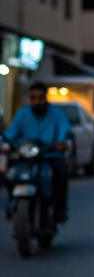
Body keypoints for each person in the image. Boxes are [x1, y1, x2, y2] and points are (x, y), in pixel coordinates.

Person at [4, 80, 71, 222]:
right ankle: (12, 203)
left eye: (40, 97)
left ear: (45, 98)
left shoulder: (57, 114)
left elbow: (64, 129)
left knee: (61, 173)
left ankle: (59, 211)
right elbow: (11, 133)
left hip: (50, 155)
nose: (36, 101)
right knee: (9, 173)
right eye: (33, 98)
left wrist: (60, 142)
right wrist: (5, 144)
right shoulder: (23, 114)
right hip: (26, 156)